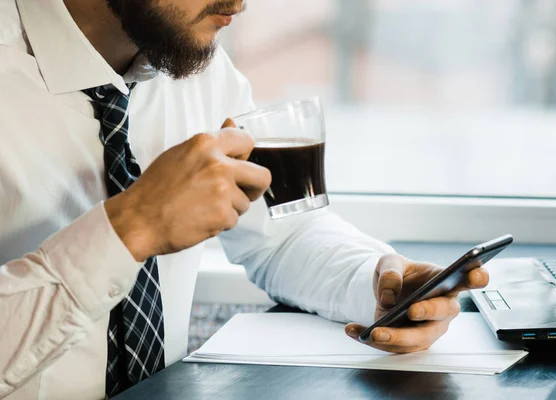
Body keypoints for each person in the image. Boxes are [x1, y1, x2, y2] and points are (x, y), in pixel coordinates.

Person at [0, 0, 489, 398]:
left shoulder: (197, 69)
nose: (240, 4)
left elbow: (279, 233)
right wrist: (131, 227)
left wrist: (381, 282)